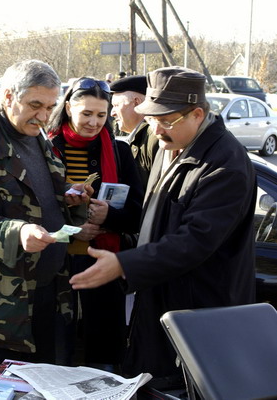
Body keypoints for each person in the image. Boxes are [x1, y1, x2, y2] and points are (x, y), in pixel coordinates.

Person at [69, 67, 256, 388]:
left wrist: (124, 264)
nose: (155, 129)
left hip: (196, 315)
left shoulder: (226, 166)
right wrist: (111, 218)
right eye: (150, 118)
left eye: (165, 120)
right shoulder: (172, 145)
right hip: (159, 303)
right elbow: (154, 213)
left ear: (197, 114)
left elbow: (194, 241)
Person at [0, 59, 92, 365]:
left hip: (44, 288)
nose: (43, 115)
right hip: (2, 305)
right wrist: (18, 231)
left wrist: (67, 194)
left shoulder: (35, 134)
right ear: (9, 96)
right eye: (35, 104)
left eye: (50, 107)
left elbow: (33, 191)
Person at [47, 77, 144, 370]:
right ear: (67, 108)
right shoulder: (44, 148)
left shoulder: (119, 151)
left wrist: (109, 218)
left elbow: (138, 213)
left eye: (101, 115)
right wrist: (73, 227)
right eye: (86, 113)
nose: (94, 122)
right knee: (56, 349)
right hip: (54, 265)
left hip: (102, 265)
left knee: (102, 352)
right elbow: (31, 211)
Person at [110, 75, 159, 190]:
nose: (112, 113)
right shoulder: (141, 137)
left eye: (116, 105)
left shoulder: (154, 136)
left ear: (137, 102)